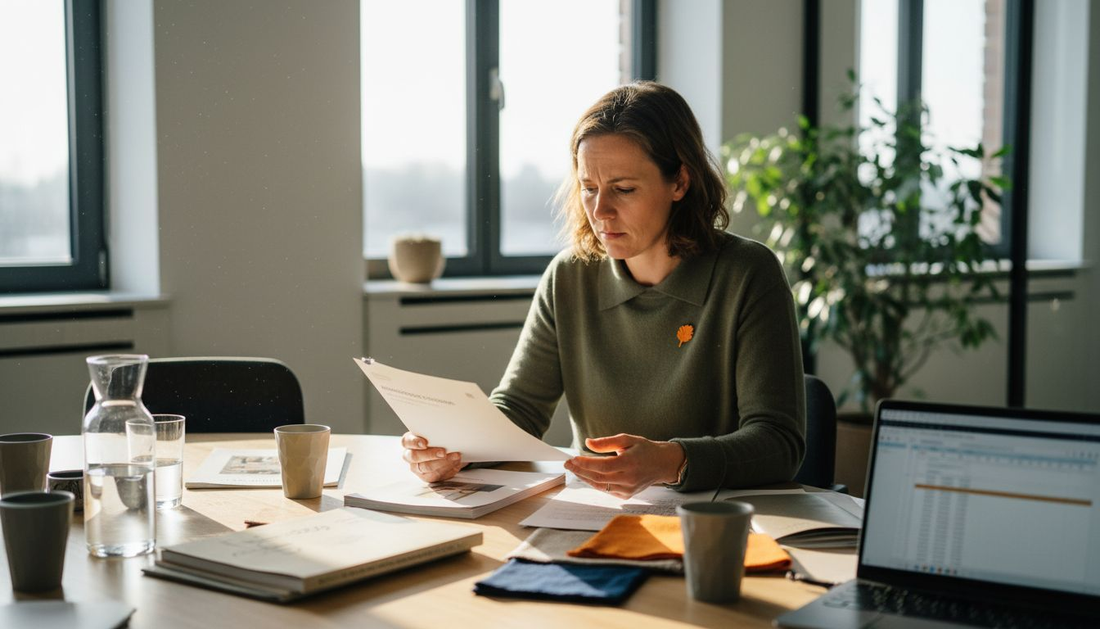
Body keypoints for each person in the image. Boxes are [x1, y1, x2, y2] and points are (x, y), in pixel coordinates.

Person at [401, 81, 806, 497]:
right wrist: (455, 447)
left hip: (719, 518)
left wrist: (672, 461)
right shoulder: (570, 277)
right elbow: (519, 409)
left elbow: (779, 442)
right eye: (589, 188)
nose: (600, 211)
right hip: (596, 514)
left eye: (624, 189)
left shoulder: (747, 274)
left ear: (680, 182)